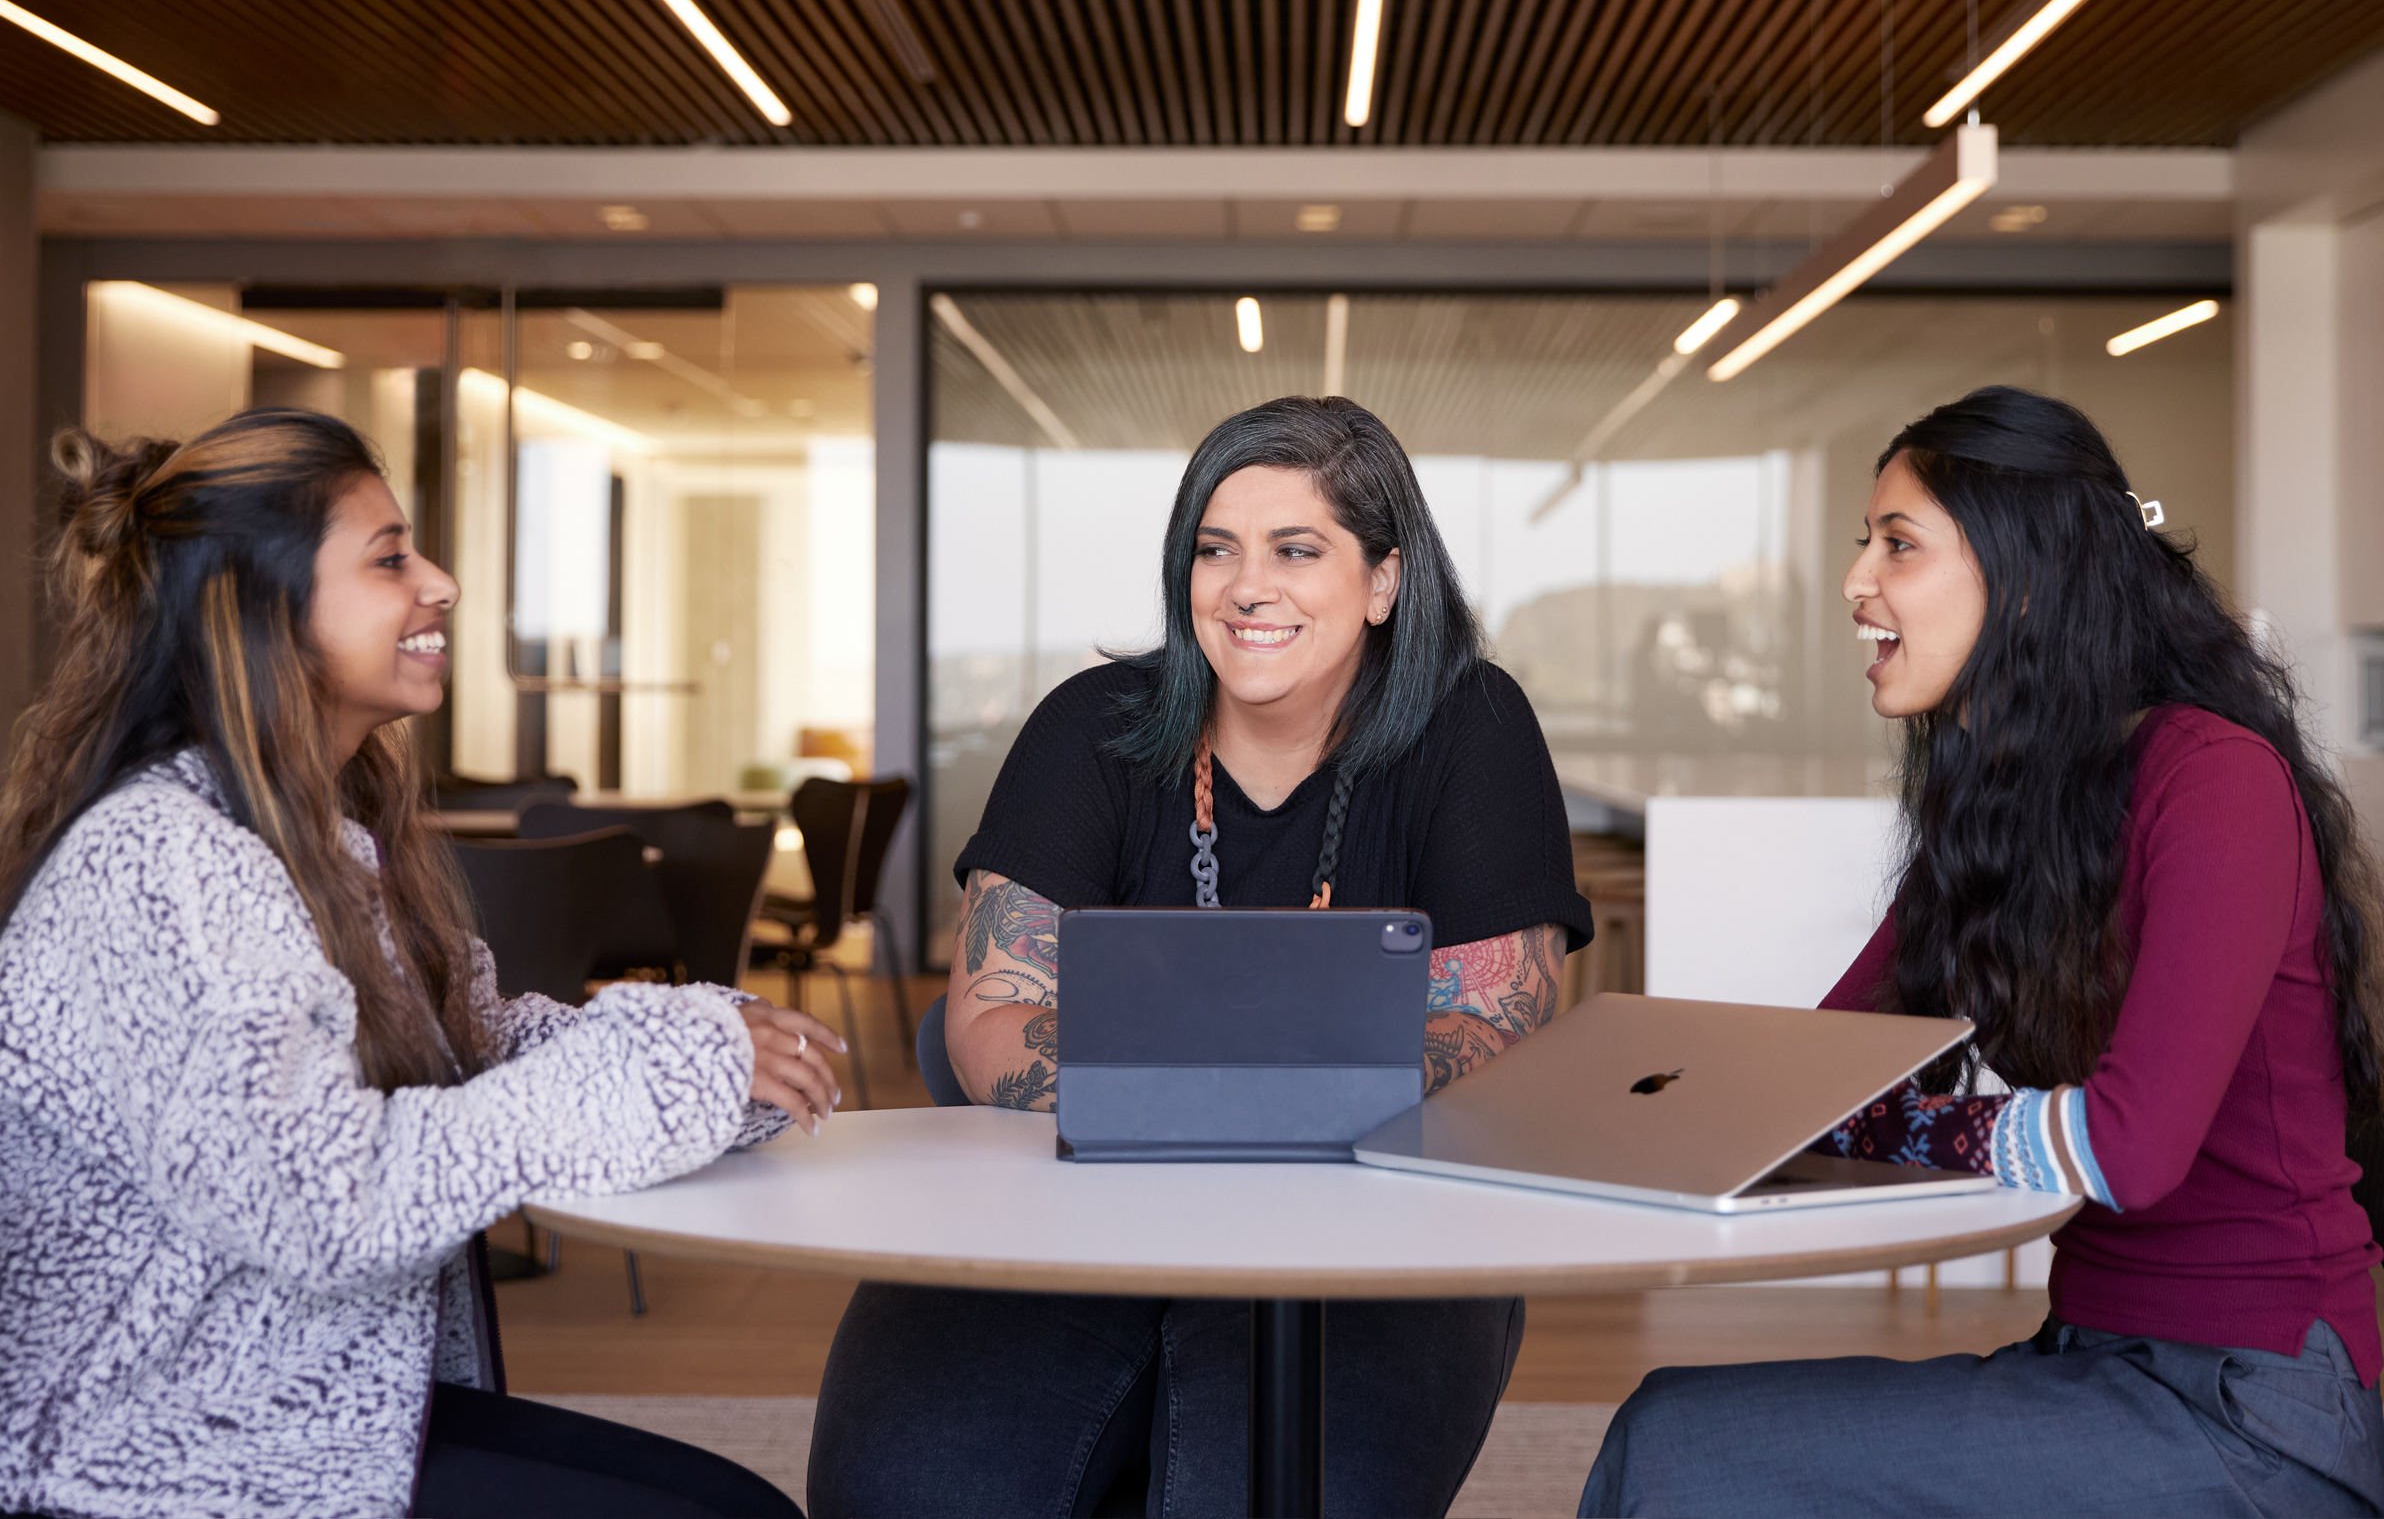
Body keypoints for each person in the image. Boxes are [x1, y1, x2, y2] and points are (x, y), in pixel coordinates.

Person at [0, 410, 839, 1519]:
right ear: (260, 611)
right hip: (153, 1456)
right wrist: (671, 1069)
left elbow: (474, 1046)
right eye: (390, 557)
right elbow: (318, 1204)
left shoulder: (319, 837)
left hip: (307, 1411)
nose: (439, 583)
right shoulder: (165, 862)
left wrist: (718, 1051)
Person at [1579, 386, 2384, 1518]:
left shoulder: (2211, 781)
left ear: (2027, 571)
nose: (1855, 582)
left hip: (2253, 1414)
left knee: (1682, 1452)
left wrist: (1901, 1125)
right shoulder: (2007, 806)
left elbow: (2128, 1149)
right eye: (1863, 543)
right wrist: (1623, 1104)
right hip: (2094, 1360)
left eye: (1897, 544)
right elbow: (1812, 1079)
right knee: (1673, 1426)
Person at [808, 396, 1595, 1518]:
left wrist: (1178, 1081)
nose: (1244, 587)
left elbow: (1495, 1031)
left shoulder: (1469, 728)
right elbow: (991, 1017)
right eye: (1213, 549)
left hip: (1371, 1239)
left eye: (1295, 549)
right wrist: (1299, 1080)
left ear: (1382, 581)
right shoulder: (1091, 725)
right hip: (1069, 1208)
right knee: (902, 1490)